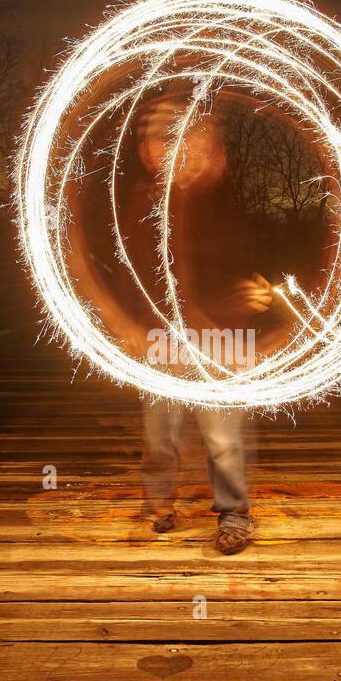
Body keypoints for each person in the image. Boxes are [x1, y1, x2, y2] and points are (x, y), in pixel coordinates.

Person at [125, 94, 280, 555]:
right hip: (162, 337)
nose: (171, 149)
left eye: (188, 137)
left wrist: (256, 294)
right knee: (160, 435)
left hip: (220, 337)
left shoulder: (224, 204)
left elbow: (244, 264)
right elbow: (126, 268)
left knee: (223, 436)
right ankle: (159, 506)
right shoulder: (140, 204)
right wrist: (127, 321)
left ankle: (234, 512)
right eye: (156, 139)